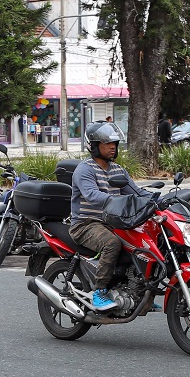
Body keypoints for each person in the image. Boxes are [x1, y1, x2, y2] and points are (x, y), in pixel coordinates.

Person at [70, 122, 153, 311]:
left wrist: (160, 200)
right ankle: (99, 292)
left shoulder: (117, 170)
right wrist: (119, 202)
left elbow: (136, 191)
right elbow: (92, 195)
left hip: (112, 222)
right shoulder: (85, 169)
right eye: (107, 143)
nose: (112, 147)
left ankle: (138, 291)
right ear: (94, 146)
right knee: (111, 244)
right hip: (86, 224)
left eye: (114, 143)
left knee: (144, 244)